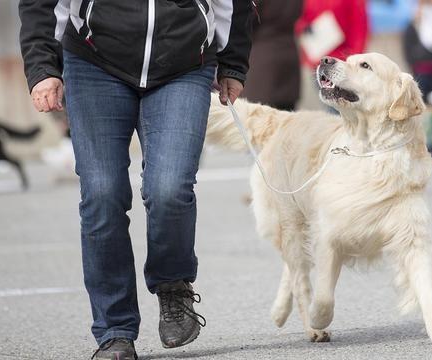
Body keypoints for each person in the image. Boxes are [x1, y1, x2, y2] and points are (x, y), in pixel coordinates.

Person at [18, 1, 252, 358]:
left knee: (169, 187)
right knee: (102, 193)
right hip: (94, 61)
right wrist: (42, 66)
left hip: (185, 64)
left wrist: (233, 61)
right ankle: (114, 330)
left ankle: (173, 285)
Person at [242, 0, 303, 111]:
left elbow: (244, 20)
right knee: (286, 122)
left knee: (257, 122)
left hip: (261, 63)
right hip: (289, 56)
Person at [403, 6, 432, 101]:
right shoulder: (410, 28)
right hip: (420, 69)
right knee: (421, 95)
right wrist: (412, 63)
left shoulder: (431, 26)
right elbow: (407, 49)